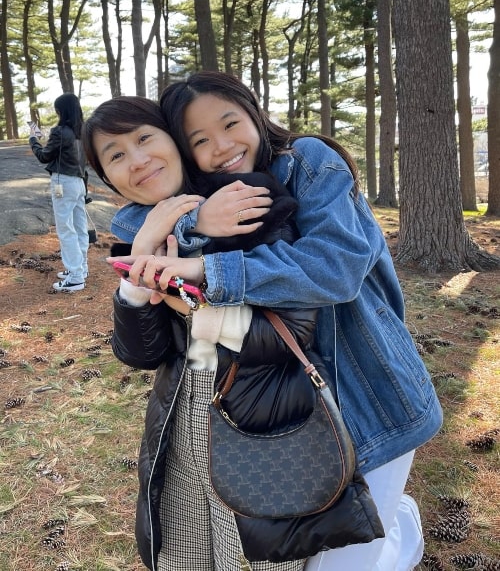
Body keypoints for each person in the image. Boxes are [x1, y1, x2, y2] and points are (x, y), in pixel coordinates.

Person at [111, 72, 443, 571]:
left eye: (230, 124)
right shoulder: (211, 198)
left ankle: (401, 530)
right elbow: (131, 222)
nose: (222, 147)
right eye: (199, 140)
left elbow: (334, 269)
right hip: (296, 415)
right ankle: (394, 529)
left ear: (254, 114)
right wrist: (191, 223)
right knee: (319, 555)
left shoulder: (306, 162)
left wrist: (206, 266)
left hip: (371, 398)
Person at [83, 96, 342, 571]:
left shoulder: (244, 200)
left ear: (175, 143)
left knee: (248, 557)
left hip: (259, 426)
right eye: (115, 155)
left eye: (144, 139)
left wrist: (190, 300)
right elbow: (141, 353)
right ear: (106, 176)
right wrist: (138, 274)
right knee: (182, 555)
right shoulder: (142, 226)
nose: (137, 160)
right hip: (182, 425)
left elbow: (293, 332)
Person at [29, 93, 89, 292]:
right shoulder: (83, 131)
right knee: (79, 228)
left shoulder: (60, 131)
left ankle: (76, 277)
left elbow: (44, 156)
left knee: (66, 230)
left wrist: (33, 139)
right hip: (80, 183)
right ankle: (81, 269)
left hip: (63, 182)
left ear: (61, 111)